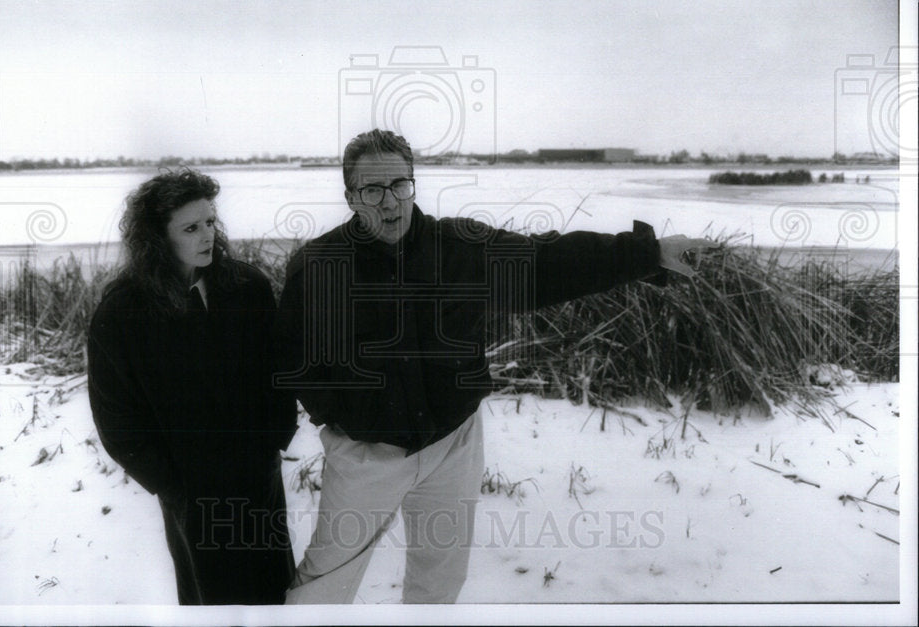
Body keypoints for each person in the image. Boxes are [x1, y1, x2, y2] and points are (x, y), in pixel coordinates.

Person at [275, 129, 713, 604]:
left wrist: (649, 254)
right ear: (350, 197)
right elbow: (292, 361)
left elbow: (548, 262)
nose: (390, 202)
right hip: (366, 456)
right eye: (373, 189)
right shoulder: (316, 268)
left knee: (439, 583)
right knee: (324, 588)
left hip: (452, 444)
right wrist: (342, 416)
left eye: (400, 184)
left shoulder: (461, 249)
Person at [87, 168, 297, 605]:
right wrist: (169, 481)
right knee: (211, 598)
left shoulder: (247, 287)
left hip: (257, 475)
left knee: (275, 592)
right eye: (190, 227)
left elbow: (278, 373)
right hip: (191, 488)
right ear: (156, 238)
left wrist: (274, 439)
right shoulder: (123, 311)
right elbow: (115, 414)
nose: (207, 236)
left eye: (209, 222)